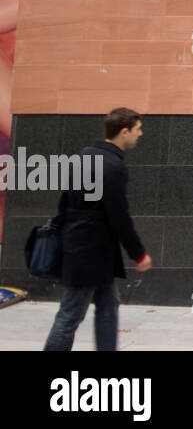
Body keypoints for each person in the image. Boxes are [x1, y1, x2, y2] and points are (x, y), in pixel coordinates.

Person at [44, 108, 152, 352]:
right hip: (90, 252)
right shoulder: (113, 166)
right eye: (138, 129)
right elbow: (118, 215)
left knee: (108, 304)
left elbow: (66, 201)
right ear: (124, 132)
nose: (140, 134)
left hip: (83, 247)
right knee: (70, 315)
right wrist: (138, 253)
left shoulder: (83, 156)